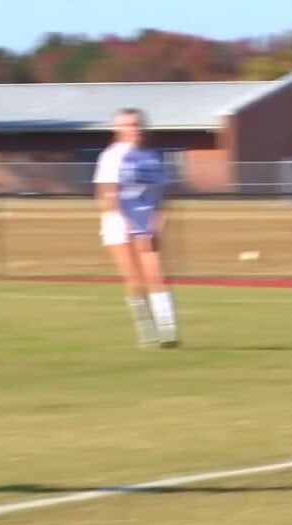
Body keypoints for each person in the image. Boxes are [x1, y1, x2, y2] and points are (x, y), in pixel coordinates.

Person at [92, 107, 179, 348]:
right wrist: (126, 225)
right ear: (118, 129)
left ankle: (168, 332)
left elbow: (161, 195)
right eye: (128, 125)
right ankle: (147, 331)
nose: (134, 129)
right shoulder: (112, 156)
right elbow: (107, 195)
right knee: (135, 280)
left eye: (137, 124)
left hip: (146, 224)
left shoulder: (152, 156)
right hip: (119, 223)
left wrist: (157, 224)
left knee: (157, 276)